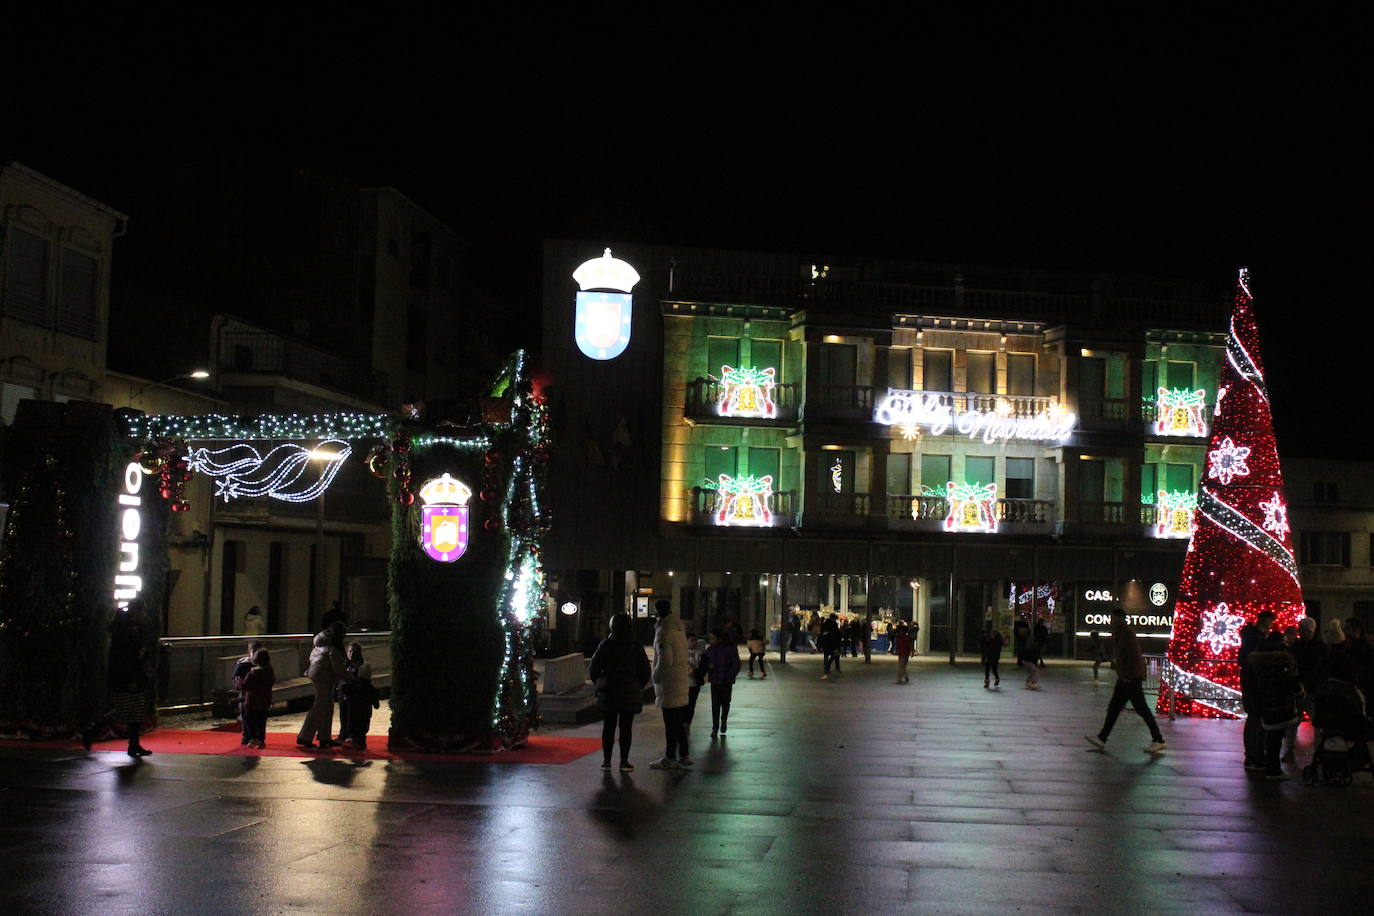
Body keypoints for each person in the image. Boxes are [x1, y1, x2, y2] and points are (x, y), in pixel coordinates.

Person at [1085, 608, 1167, 754]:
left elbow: (1134, 655)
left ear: (1121, 619)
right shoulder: (1119, 633)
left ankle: (1158, 740)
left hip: (1130, 678)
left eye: (1114, 618)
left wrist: (1129, 675)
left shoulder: (1127, 633)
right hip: (1125, 677)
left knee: (1141, 709)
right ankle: (1102, 738)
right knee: (1115, 708)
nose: (1112, 621)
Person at [82, 598, 154, 757]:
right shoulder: (125, 629)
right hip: (125, 675)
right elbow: (124, 655)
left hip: (129, 673)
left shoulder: (130, 627)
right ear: (137, 611)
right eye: (143, 610)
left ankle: (133, 744)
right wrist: (134, 673)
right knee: (124, 709)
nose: (145, 614)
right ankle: (92, 731)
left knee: (135, 709)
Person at [588, 612, 651, 772]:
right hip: (629, 692)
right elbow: (645, 670)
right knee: (626, 728)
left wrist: (600, 682)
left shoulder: (606, 645)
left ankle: (607, 761)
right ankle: (624, 761)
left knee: (608, 727)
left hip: (609, 692)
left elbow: (593, 668)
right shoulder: (635, 646)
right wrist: (637, 685)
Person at [1247, 628, 1304, 780]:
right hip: (1281, 704)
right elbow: (1291, 683)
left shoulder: (1258, 663)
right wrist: (1299, 691)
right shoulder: (1282, 663)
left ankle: (1267, 763)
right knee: (1276, 737)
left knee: (1270, 736)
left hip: (1265, 703)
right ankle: (1274, 770)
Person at [650, 600, 692, 769]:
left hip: (669, 683)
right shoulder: (679, 629)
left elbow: (665, 660)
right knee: (679, 721)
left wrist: (655, 676)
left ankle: (670, 756)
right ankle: (684, 754)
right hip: (680, 681)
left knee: (670, 723)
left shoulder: (664, 632)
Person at [297, 622, 350, 750]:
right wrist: (351, 680)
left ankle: (324, 737)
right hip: (324, 678)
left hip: (320, 676)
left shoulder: (320, 645)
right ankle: (305, 736)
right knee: (321, 706)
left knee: (326, 706)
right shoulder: (332, 648)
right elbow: (339, 668)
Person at [1238, 610, 1276, 772]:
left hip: (1251, 684)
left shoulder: (1250, 638)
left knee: (1254, 719)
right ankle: (1255, 754)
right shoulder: (1257, 640)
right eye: (1268, 623)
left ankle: (1253, 754)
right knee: (1256, 720)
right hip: (1256, 685)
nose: (1269, 626)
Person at [337, 643, 379, 749]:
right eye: (350, 651)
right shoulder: (345, 665)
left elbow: (365, 684)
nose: (352, 654)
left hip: (355, 698)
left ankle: (355, 739)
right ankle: (344, 735)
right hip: (344, 696)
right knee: (344, 716)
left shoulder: (363, 666)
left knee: (356, 718)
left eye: (354, 652)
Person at [703, 628, 741, 738]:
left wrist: (729, 675)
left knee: (725, 703)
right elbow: (705, 663)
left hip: (725, 681)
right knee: (715, 705)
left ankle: (723, 721)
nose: (710, 640)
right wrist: (709, 668)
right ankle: (715, 727)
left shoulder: (729, 649)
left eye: (712, 638)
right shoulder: (710, 650)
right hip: (715, 680)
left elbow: (735, 664)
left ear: (719, 639)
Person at [240, 649, 275, 749]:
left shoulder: (253, 673)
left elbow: (246, 685)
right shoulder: (269, 671)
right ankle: (261, 740)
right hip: (264, 700)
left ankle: (253, 738)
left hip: (252, 701)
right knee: (261, 721)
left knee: (249, 718)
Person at [233, 639, 264, 746]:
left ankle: (248, 736)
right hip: (255, 694)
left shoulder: (243, 664)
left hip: (246, 693)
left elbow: (237, 678)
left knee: (247, 715)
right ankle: (256, 737)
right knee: (255, 717)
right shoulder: (261, 664)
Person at [819, 614, 842, 680]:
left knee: (826, 657)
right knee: (834, 655)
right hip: (833, 643)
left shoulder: (825, 624)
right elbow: (838, 633)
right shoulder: (834, 625)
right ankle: (833, 667)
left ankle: (826, 670)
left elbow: (822, 634)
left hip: (826, 643)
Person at [980, 624, 1004, 688]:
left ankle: (997, 678)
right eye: (992, 632)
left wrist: (992, 640)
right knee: (987, 668)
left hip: (995, 656)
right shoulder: (988, 637)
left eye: (994, 632)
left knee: (994, 669)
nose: (992, 633)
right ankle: (987, 681)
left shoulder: (999, 639)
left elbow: (998, 647)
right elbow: (985, 645)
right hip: (989, 655)